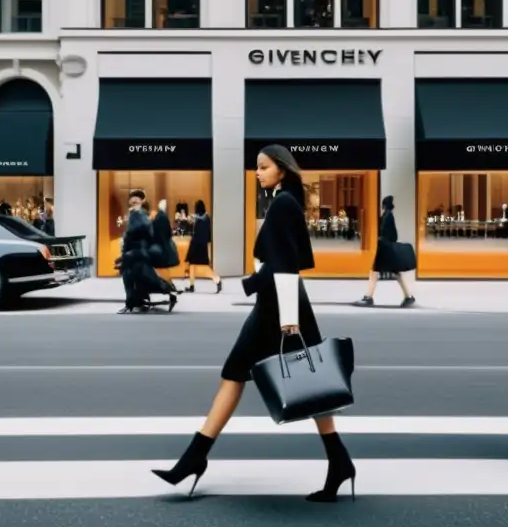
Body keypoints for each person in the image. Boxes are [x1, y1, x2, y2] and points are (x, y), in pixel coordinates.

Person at [152, 144, 355, 502]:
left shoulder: (283, 204)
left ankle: (194, 458)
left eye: (263, 167)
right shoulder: (285, 201)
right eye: (256, 167)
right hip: (279, 302)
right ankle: (338, 461)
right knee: (297, 379)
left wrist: (272, 304)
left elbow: (287, 264)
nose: (257, 173)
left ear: (281, 168)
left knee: (254, 374)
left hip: (280, 305)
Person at [117, 189, 177, 314]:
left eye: (136, 200)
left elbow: (145, 231)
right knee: (129, 276)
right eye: (132, 200)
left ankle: (139, 300)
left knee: (141, 276)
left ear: (141, 201)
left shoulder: (142, 215)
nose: (133, 202)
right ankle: (134, 302)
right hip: (133, 253)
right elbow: (130, 236)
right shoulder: (133, 215)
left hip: (140, 252)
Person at [355, 195, 416, 308]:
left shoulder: (387, 216)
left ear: (383, 205)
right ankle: (408, 297)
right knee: (396, 274)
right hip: (387, 248)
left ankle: (368, 298)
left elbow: (390, 234)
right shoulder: (388, 215)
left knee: (374, 272)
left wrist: (380, 239)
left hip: (384, 249)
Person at [182, 199, 222, 293]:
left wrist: (188, 219)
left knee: (197, 265)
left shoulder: (196, 218)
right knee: (194, 265)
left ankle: (217, 279)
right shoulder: (207, 218)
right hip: (202, 245)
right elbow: (207, 233)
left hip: (196, 244)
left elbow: (192, 226)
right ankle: (192, 285)